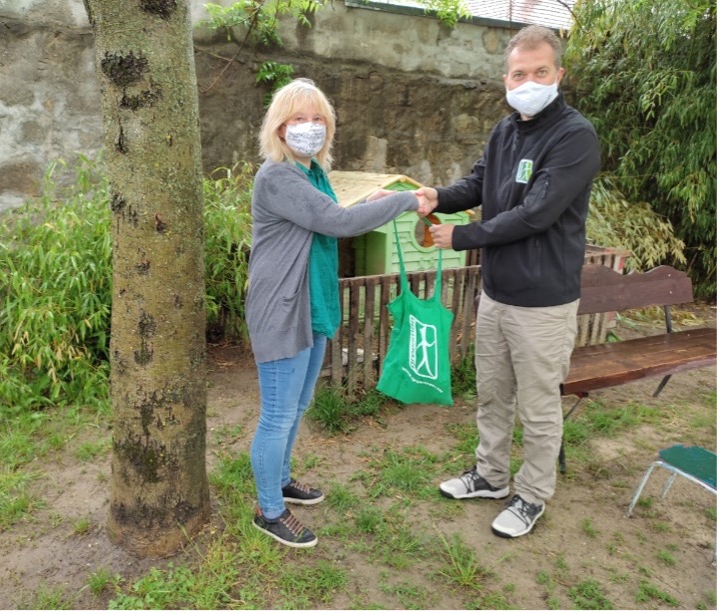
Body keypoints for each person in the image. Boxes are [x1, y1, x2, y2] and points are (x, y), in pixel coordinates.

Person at [415, 25, 601, 538]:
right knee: (493, 394)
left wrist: (462, 236)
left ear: (559, 74)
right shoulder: (505, 130)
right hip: (496, 293)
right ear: (506, 79)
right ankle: (491, 475)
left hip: (543, 302)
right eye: (519, 74)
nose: (529, 82)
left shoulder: (574, 136)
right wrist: (437, 196)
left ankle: (532, 495)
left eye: (540, 72)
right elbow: (479, 183)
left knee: (538, 408)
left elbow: (535, 214)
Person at [246, 78, 429, 548]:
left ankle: (280, 481)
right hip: (282, 308)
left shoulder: (312, 174)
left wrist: (371, 202)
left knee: (297, 406)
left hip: (310, 304)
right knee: (277, 415)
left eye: (318, 119)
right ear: (279, 127)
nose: (309, 126)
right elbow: (337, 222)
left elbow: (328, 212)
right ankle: (269, 510)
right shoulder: (278, 176)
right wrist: (406, 200)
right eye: (298, 118)